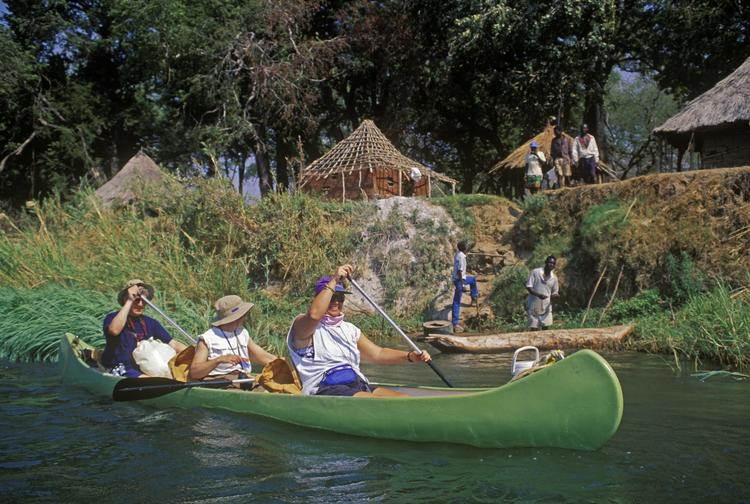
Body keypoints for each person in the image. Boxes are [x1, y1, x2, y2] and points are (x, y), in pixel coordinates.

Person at [287, 265, 431, 397]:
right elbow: (314, 315)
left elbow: (378, 354)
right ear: (321, 297)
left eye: (340, 297)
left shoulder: (350, 329)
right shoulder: (303, 326)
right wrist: (335, 279)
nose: (336, 301)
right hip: (325, 388)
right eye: (332, 297)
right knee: (373, 401)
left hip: (357, 384)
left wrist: (410, 356)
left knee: (404, 399)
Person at [101, 279, 188, 377]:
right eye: (136, 300)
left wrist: (193, 353)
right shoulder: (112, 318)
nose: (140, 304)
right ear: (125, 299)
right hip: (119, 366)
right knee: (150, 381)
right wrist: (130, 300)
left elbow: (173, 344)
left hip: (142, 367)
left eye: (144, 301)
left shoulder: (151, 322)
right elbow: (114, 331)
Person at [189, 295, 277, 381]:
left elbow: (262, 356)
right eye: (243, 314)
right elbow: (194, 372)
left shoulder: (242, 332)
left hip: (244, 379)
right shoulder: (207, 338)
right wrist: (219, 360)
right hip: (221, 382)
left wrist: (282, 362)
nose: (245, 317)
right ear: (237, 317)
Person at [525, 256, 560, 330]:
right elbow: (529, 287)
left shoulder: (554, 278)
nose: (551, 265)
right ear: (545, 263)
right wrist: (538, 295)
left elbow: (554, 292)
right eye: (550, 262)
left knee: (545, 329)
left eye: (553, 264)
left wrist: (555, 296)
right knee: (534, 329)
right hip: (533, 305)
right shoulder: (535, 272)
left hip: (546, 307)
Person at [451, 240, 478, 333]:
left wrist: (467, 253)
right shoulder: (461, 257)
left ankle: (474, 297)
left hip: (458, 279)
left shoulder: (458, 254)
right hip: (460, 279)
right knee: (457, 301)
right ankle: (455, 324)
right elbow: (459, 271)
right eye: (466, 247)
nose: (467, 248)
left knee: (473, 279)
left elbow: (464, 254)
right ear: (464, 248)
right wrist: (462, 284)